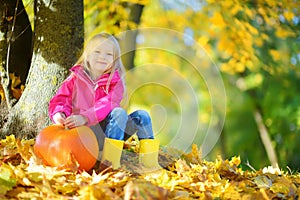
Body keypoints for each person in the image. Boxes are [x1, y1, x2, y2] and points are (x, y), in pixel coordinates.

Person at [48, 33, 160, 170]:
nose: (102, 57)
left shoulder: (116, 82)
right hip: (83, 135)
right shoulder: (75, 79)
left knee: (140, 115)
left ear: (115, 60)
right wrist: (59, 113)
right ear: (87, 55)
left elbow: (108, 104)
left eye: (109, 54)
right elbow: (61, 98)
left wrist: (85, 117)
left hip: (109, 133)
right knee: (119, 113)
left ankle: (149, 164)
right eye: (97, 51)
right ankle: (108, 165)